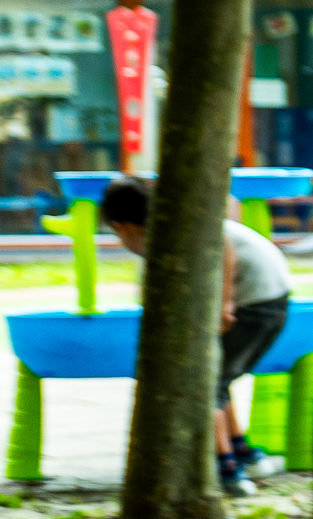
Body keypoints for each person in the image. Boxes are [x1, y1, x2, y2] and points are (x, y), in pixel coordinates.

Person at [99, 178, 295, 495]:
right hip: (269, 295)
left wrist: (224, 302)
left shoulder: (171, 229)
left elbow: (223, 244)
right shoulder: (169, 223)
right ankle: (243, 452)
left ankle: (226, 468)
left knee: (207, 381)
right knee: (218, 374)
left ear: (122, 225)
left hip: (257, 299)